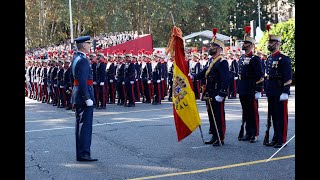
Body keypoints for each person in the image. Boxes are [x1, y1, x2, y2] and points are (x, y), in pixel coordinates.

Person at [193, 28, 229, 146]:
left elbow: (225, 79)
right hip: (209, 92)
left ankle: (220, 137)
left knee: (219, 116)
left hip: (217, 93)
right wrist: (192, 76)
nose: (210, 48)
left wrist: (222, 94)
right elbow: (203, 72)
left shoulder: (222, 62)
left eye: (212, 46)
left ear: (219, 49)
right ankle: (214, 135)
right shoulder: (211, 61)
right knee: (211, 116)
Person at [70, 35, 98, 161]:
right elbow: (82, 81)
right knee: (85, 126)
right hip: (83, 96)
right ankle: (84, 154)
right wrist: (87, 97)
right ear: (84, 45)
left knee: (80, 125)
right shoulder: (82, 60)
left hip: (78, 95)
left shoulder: (76, 58)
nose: (90, 46)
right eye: (89, 44)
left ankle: (81, 153)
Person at [264, 33, 292, 148]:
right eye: (269, 42)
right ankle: (275, 137)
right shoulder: (270, 58)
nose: (269, 44)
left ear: (278, 44)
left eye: (272, 42)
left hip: (280, 90)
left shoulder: (283, 58)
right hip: (271, 90)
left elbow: (288, 77)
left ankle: (282, 139)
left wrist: (285, 91)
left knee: (281, 116)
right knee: (273, 116)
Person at [237, 26, 264, 143]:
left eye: (247, 43)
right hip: (243, 88)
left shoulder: (255, 58)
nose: (244, 44)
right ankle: (248, 132)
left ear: (251, 45)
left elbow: (260, 75)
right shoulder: (242, 57)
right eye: (244, 42)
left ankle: (254, 133)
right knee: (246, 111)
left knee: (253, 112)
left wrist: (258, 90)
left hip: (251, 88)